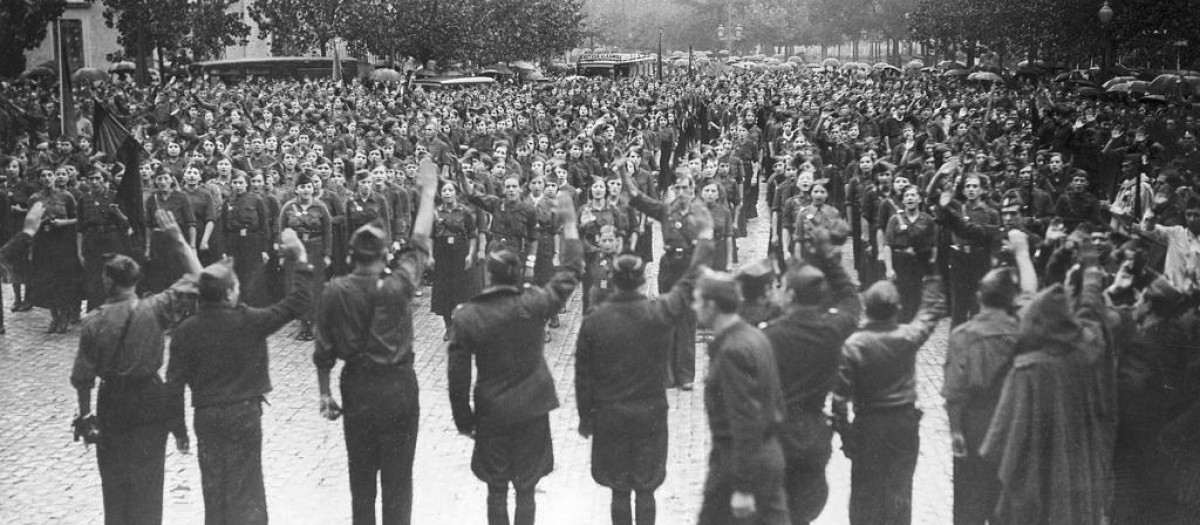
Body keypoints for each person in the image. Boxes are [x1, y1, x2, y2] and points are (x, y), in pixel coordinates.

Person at [312, 157, 438, 525]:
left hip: (357, 387)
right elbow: (418, 242)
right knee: (399, 481)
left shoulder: (335, 290)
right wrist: (427, 194)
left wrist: (324, 393)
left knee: (361, 479)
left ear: (350, 256)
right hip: (399, 385)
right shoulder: (399, 284)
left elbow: (323, 352)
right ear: (385, 257)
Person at [575, 202, 714, 525]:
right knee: (647, 487)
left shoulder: (594, 321)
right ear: (641, 281)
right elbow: (691, 279)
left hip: (609, 413)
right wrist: (705, 238)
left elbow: (583, 377)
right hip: (650, 411)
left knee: (619, 489)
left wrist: (586, 418)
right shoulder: (659, 311)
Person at [447, 189, 582, 525]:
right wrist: (569, 223)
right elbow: (571, 271)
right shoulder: (535, 303)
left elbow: (457, 377)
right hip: (533, 409)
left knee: (496, 488)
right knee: (526, 487)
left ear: (489, 275)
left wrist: (464, 420)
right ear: (518, 274)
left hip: (491, 411)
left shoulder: (468, 316)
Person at [165, 226, 313, 525]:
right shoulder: (250, 320)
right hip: (244, 414)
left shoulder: (185, 331)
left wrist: (179, 430)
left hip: (206, 416)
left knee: (213, 487)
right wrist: (301, 260)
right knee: (246, 488)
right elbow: (297, 302)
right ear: (231, 294)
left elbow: (173, 385)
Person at [70, 208, 200, 525]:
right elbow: (200, 279)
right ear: (136, 280)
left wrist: (86, 415)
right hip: (150, 397)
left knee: (114, 483)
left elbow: (83, 378)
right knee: (149, 478)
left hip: (112, 400)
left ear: (106, 280)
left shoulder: (92, 322)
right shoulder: (155, 308)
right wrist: (179, 241)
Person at [980, 234, 1118, 525]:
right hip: (1077, 479)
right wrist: (1091, 273)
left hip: (1035, 483)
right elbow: (1091, 311)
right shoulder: (1086, 350)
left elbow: (1000, 438)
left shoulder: (1027, 369)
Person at [761, 221, 862, 525]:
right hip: (815, 431)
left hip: (777, 433)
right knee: (806, 505)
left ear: (790, 295)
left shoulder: (770, 335)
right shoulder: (832, 330)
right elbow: (850, 300)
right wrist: (830, 257)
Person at [832, 272, 946, 525]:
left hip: (868, 426)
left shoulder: (853, 346)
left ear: (866, 308)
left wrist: (848, 438)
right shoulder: (908, 336)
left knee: (864, 495)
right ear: (897, 309)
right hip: (903, 425)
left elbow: (838, 402)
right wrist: (930, 272)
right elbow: (932, 309)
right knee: (900, 492)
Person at [692, 269, 790, 525]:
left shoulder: (731, 351)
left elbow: (746, 419)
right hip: (767, 456)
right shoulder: (755, 336)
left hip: (738, 464)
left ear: (712, 305)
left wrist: (743, 487)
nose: (694, 307)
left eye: (698, 300)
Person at [941, 264, 1030, 525]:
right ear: (1010, 300)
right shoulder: (1023, 334)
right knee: (1007, 503)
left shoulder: (963, 335)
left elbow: (954, 390)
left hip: (975, 425)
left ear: (979, 297)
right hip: (1014, 424)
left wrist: (956, 431)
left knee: (969, 503)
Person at [624, 171, 701, 390]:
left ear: (693, 190)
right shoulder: (666, 211)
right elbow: (637, 197)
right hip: (669, 266)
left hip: (689, 267)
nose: (682, 192)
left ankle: (685, 375)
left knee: (687, 320)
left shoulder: (700, 214)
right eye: (678, 188)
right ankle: (667, 374)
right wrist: (622, 171)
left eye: (686, 188)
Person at [278, 174, 331, 340]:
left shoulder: (320, 207)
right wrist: (282, 254)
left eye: (308, 186)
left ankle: (314, 324)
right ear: (296, 189)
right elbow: (282, 231)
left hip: (315, 249)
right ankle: (303, 325)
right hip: (295, 251)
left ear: (313, 188)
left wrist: (327, 254)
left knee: (314, 287)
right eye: (302, 187)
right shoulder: (288, 207)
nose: (305, 190)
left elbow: (328, 232)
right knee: (298, 287)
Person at [430, 180, 478, 339]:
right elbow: (430, 237)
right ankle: (448, 325)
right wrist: (430, 255)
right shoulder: (436, 213)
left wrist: (470, 254)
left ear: (456, 193)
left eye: (450, 190)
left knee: (461, 289)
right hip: (442, 252)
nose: (447, 193)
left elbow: (472, 235)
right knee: (444, 289)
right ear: (440, 194)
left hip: (460, 251)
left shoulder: (464, 212)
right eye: (444, 190)